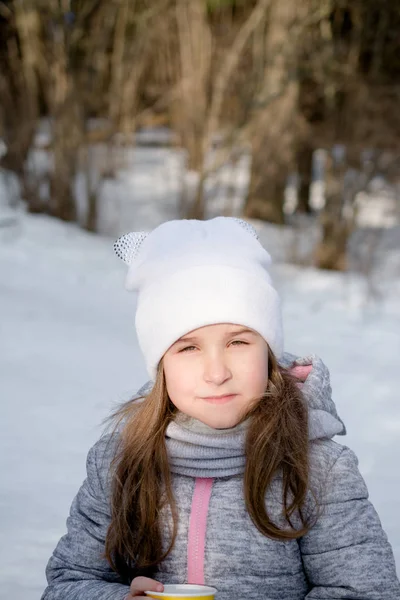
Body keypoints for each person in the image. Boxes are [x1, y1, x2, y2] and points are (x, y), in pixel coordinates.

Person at [41, 217, 400, 600]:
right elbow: (67, 582)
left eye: (238, 342)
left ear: (268, 350)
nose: (216, 373)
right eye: (189, 347)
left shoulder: (318, 469)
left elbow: (365, 592)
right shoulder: (118, 462)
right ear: (162, 364)